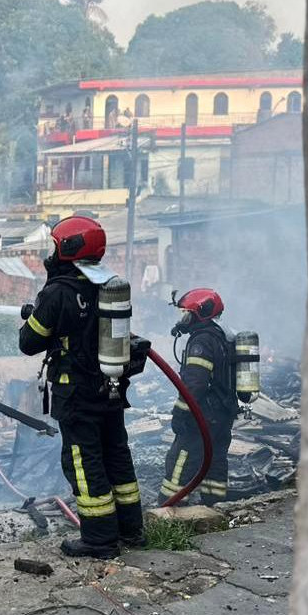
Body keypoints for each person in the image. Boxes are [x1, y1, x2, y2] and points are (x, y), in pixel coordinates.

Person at [18, 216, 144, 559]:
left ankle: (100, 539)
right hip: (111, 389)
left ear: (69, 249)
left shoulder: (59, 292)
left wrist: (34, 314)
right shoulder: (109, 285)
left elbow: (29, 342)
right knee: (116, 455)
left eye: (55, 245)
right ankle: (132, 530)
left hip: (76, 394)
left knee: (83, 462)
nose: (51, 252)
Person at [159, 289, 239, 505]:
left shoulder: (201, 341)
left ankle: (169, 511)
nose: (183, 319)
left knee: (180, 461)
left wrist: (180, 414)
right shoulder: (224, 336)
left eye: (187, 314)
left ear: (200, 313)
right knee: (215, 461)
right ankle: (215, 507)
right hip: (223, 414)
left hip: (203, 416)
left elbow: (194, 384)